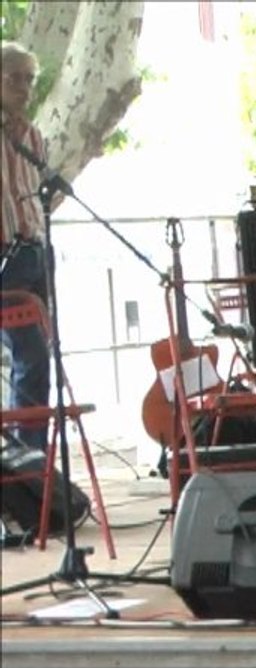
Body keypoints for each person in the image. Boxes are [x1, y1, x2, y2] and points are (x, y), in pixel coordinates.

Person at [1, 41, 57, 451]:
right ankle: (26, 463)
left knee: (44, 357)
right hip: (5, 259)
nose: (24, 88)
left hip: (36, 254)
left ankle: (34, 461)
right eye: (14, 79)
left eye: (30, 80)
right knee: (31, 356)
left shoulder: (34, 137)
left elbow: (35, 196)